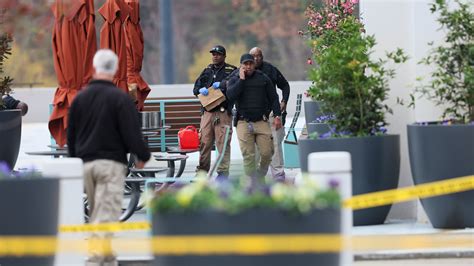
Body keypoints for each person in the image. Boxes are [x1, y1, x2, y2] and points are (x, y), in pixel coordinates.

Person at [67, 49, 150, 266]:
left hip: (85, 164)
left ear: (94, 68)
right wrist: (142, 155)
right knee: (107, 213)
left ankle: (108, 257)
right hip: (111, 164)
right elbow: (132, 131)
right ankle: (96, 259)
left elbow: (71, 134)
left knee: (96, 211)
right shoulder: (119, 98)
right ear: (114, 70)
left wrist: (75, 160)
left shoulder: (79, 99)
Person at [226, 53, 282, 182]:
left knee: (267, 153)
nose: (248, 66)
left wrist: (277, 115)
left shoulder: (263, 78)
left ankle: (260, 174)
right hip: (243, 122)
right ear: (241, 65)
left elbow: (274, 98)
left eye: (250, 63)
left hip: (261, 121)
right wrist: (241, 80)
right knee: (249, 156)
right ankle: (252, 180)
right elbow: (230, 96)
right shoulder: (235, 78)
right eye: (245, 64)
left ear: (254, 65)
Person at [193, 45, 236, 178]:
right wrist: (200, 90)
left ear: (224, 56)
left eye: (218, 54)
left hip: (223, 112)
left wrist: (223, 84)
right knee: (205, 142)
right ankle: (202, 171)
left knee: (223, 143)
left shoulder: (231, 70)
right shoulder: (207, 70)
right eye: (213, 54)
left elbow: (236, 85)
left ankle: (223, 173)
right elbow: (196, 89)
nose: (215, 56)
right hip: (207, 112)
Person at [249, 47, 290, 181]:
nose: (257, 59)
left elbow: (285, 85)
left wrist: (284, 101)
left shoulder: (270, 69)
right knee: (254, 147)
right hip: (254, 115)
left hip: (272, 112)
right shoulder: (245, 71)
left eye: (259, 56)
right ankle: (255, 176)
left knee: (275, 144)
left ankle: (278, 175)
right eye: (254, 56)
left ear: (262, 56)